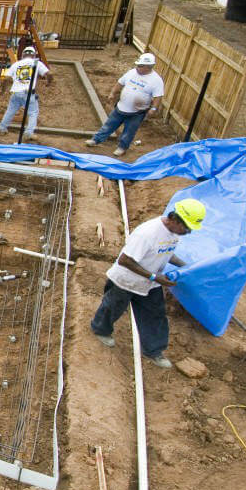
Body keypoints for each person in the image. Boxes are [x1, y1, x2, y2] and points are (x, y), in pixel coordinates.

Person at [90, 199, 205, 369]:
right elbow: (124, 260)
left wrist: (187, 267)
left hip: (150, 283)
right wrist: (154, 277)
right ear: (174, 219)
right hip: (126, 280)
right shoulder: (148, 233)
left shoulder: (174, 233)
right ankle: (100, 330)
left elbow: (167, 253)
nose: (187, 232)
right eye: (186, 228)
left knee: (155, 315)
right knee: (113, 307)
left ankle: (154, 351)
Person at [85, 53, 164, 157]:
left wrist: (153, 108)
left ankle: (122, 147)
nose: (137, 67)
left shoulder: (156, 80)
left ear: (149, 67)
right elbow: (120, 83)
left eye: (140, 66)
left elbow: (158, 96)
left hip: (137, 112)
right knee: (109, 125)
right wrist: (112, 93)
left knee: (129, 131)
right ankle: (96, 140)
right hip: (121, 107)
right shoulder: (132, 72)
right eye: (137, 65)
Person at [0, 46, 52, 139]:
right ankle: (28, 133)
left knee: (10, 111)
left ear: (23, 55)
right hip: (28, 93)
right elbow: (49, 74)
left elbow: (6, 78)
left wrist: (3, 91)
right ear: (33, 55)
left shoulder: (16, 64)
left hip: (15, 92)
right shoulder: (36, 63)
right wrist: (48, 83)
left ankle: (2, 129)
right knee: (33, 113)